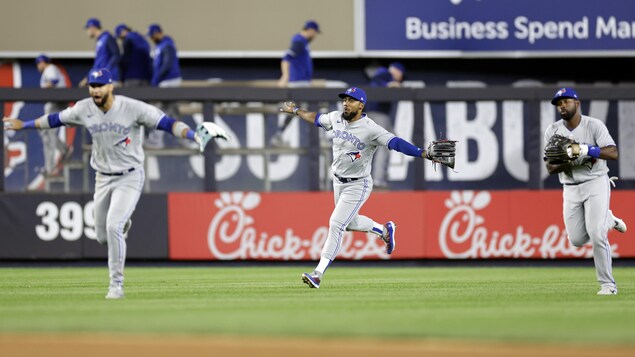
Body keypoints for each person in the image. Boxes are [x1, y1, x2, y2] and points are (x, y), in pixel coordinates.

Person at [3, 68, 208, 299]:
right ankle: (123, 222)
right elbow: (54, 119)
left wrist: (194, 135)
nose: (95, 89)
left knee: (113, 227)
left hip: (129, 176)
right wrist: (24, 124)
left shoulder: (133, 107)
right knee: (102, 236)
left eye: (100, 85)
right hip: (102, 178)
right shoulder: (84, 108)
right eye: (92, 85)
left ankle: (116, 285)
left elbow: (167, 123)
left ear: (111, 86)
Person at [280, 87, 437, 289]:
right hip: (337, 181)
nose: (346, 103)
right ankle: (384, 230)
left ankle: (317, 274)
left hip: (358, 184)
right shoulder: (335, 118)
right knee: (351, 223)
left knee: (336, 223)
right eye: (345, 99)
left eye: (351, 100)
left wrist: (422, 153)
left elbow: (395, 142)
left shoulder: (370, 128)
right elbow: (317, 118)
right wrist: (296, 111)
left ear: (361, 105)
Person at [545, 87, 627, 296]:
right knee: (577, 240)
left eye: (566, 101)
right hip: (570, 188)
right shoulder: (552, 131)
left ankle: (608, 285)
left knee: (597, 235)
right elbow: (550, 167)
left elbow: (613, 152)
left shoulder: (593, 125)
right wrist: (568, 158)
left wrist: (586, 149)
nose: (562, 106)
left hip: (595, 182)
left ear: (577, 103)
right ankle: (607, 219)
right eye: (559, 103)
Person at [271, 20, 321, 146]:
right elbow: (286, 58)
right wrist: (285, 76)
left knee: (298, 110)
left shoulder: (302, 42)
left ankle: (279, 134)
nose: (315, 36)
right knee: (301, 110)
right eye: (315, 33)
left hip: (302, 83)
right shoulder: (299, 41)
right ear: (311, 30)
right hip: (299, 84)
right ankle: (279, 135)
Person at [366, 62, 406, 189]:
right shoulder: (385, 72)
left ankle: (381, 176)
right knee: (384, 145)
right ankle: (378, 178)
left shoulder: (387, 75)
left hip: (381, 115)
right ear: (397, 71)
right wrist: (389, 85)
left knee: (390, 143)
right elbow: (378, 81)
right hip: (376, 113)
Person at [35, 54, 72, 179]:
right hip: (58, 102)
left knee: (47, 132)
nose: (38, 66)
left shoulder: (49, 68)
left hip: (55, 102)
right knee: (45, 133)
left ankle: (50, 168)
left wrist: (44, 88)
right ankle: (64, 150)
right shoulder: (51, 69)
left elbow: (54, 81)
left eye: (39, 63)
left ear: (42, 62)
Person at [146, 23, 183, 149]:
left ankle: (157, 140)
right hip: (166, 81)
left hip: (169, 81)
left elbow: (167, 64)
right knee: (171, 112)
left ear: (158, 33)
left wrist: (156, 80)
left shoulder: (167, 44)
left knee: (163, 112)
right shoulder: (160, 46)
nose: (151, 38)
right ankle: (184, 138)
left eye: (153, 35)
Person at [78, 18, 121, 87]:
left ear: (92, 28)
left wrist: (105, 70)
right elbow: (99, 63)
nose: (87, 31)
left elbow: (116, 55)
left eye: (87, 28)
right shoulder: (100, 40)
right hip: (101, 78)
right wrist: (88, 77)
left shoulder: (107, 37)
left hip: (110, 79)